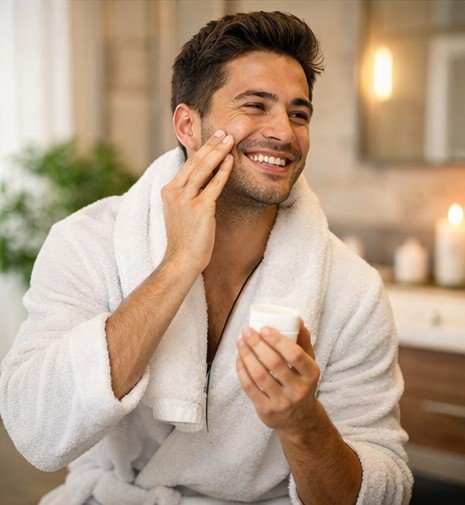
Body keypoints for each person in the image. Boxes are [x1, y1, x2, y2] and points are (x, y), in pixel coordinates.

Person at [0, 10, 413, 505]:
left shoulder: (351, 289)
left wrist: (303, 425)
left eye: (299, 114)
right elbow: (37, 429)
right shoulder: (88, 243)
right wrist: (177, 265)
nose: (284, 133)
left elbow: (385, 488)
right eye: (256, 105)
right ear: (188, 125)